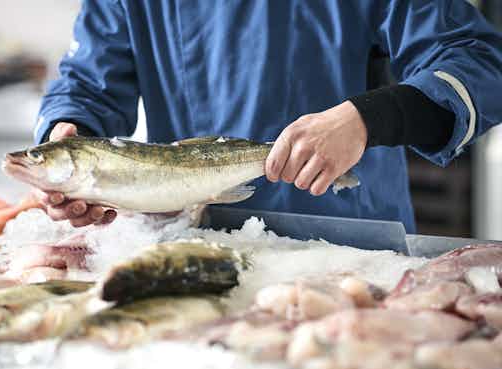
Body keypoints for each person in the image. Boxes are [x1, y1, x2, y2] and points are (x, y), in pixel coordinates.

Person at [33, 1, 502, 231]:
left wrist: (367, 119)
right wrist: (70, 145)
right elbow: (87, 84)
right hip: (191, 243)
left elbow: (478, 61)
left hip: (347, 247)